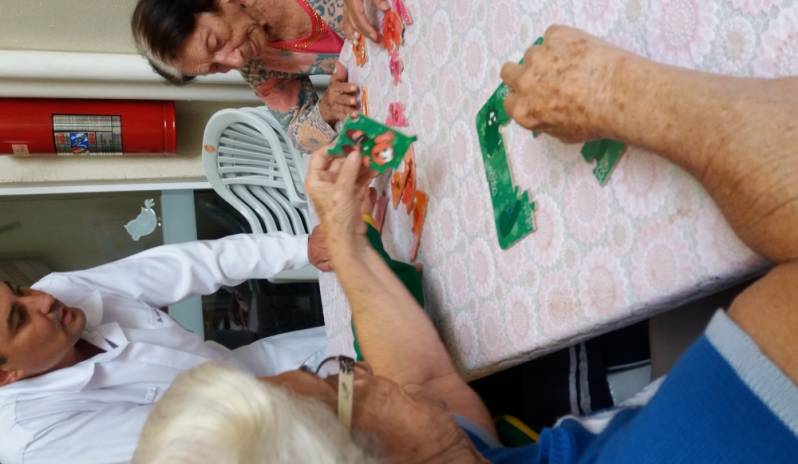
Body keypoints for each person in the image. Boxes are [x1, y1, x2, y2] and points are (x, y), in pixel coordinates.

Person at [135, 25, 798, 463]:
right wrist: (618, 93)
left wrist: (344, 234)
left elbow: (420, 384)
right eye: (334, 381)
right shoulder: (686, 450)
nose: (359, 367)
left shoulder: (438, 449)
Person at [0, 232, 329, 464]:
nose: (42, 299)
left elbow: (187, 265)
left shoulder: (62, 293)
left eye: (19, 290)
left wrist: (305, 248)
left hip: (253, 367)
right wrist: (333, 384)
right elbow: (207, 425)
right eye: (19, 319)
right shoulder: (33, 437)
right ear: (6, 375)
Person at [131, 0, 389, 152]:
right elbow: (299, 134)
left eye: (215, 42)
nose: (235, 60)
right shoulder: (257, 66)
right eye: (215, 68)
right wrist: (326, 110)